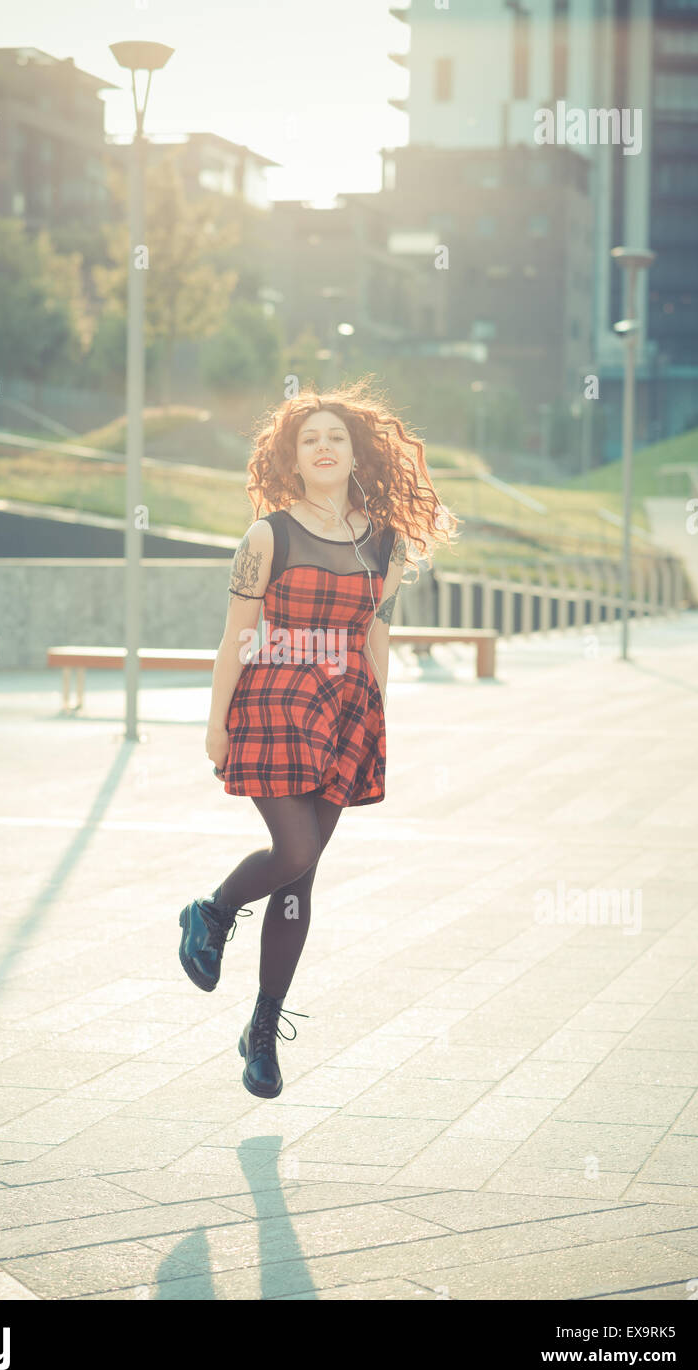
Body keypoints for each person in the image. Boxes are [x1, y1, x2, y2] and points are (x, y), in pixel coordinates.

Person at [179, 378, 459, 1098]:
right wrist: (215, 723)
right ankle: (210, 911)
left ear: (355, 450)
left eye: (336, 436)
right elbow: (234, 637)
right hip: (273, 701)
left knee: (301, 881)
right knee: (293, 850)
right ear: (292, 458)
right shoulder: (266, 534)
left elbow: (377, 634)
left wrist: (377, 719)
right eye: (310, 439)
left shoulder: (386, 542)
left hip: (345, 712)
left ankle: (261, 1033)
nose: (324, 446)